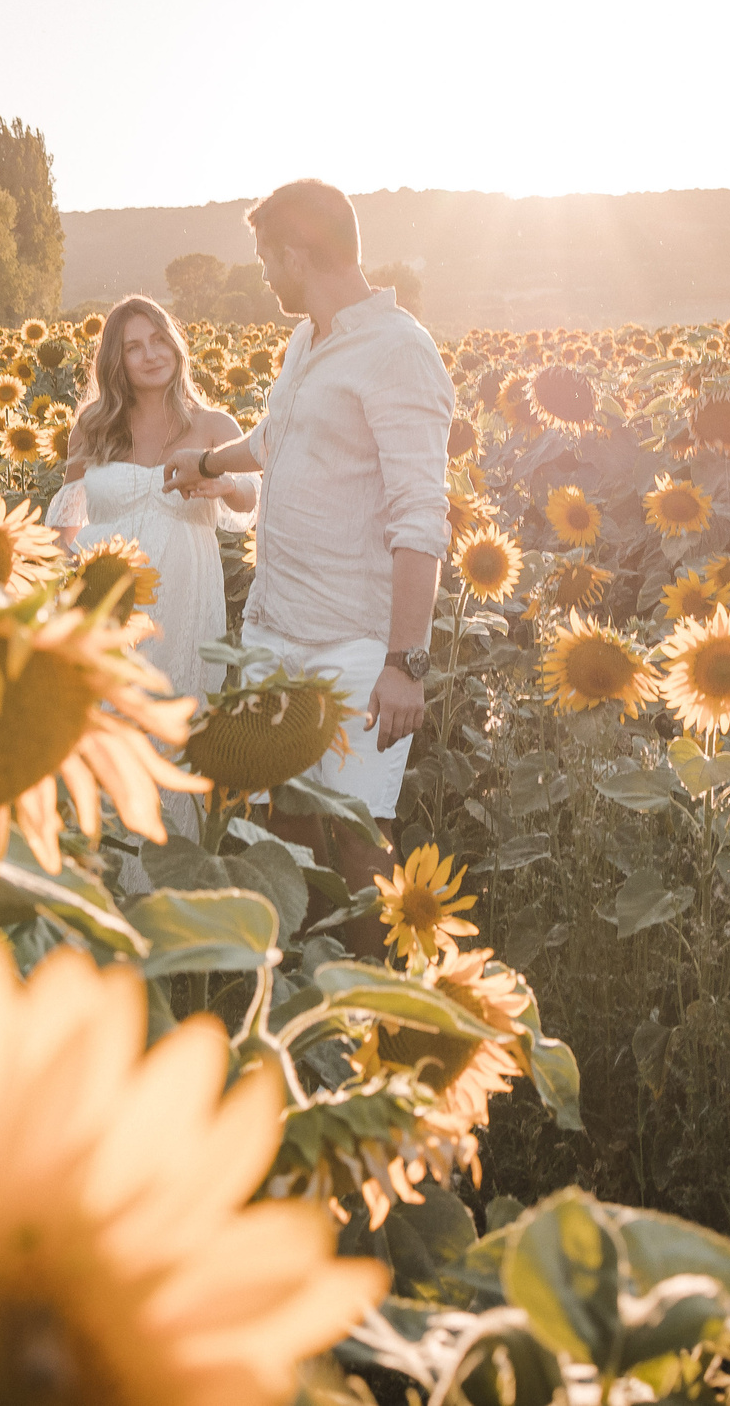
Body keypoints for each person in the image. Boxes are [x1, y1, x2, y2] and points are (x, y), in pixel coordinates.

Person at [162, 179, 453, 956]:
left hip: (355, 644)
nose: (262, 275)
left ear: (297, 252)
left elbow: (422, 517)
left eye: (266, 257)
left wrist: (406, 663)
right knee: (278, 831)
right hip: (274, 625)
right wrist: (207, 461)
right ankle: (297, 995)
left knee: (360, 842)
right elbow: (276, 432)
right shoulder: (309, 341)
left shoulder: (400, 352)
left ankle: (380, 1020)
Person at [47, 295, 257, 715]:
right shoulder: (92, 428)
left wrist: (225, 483)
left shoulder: (214, 424)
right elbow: (63, 530)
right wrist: (61, 604)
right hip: (106, 604)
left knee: (174, 733)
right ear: (116, 361)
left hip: (184, 608)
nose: (151, 355)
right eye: (134, 347)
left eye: (159, 340)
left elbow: (252, 499)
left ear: (176, 344)